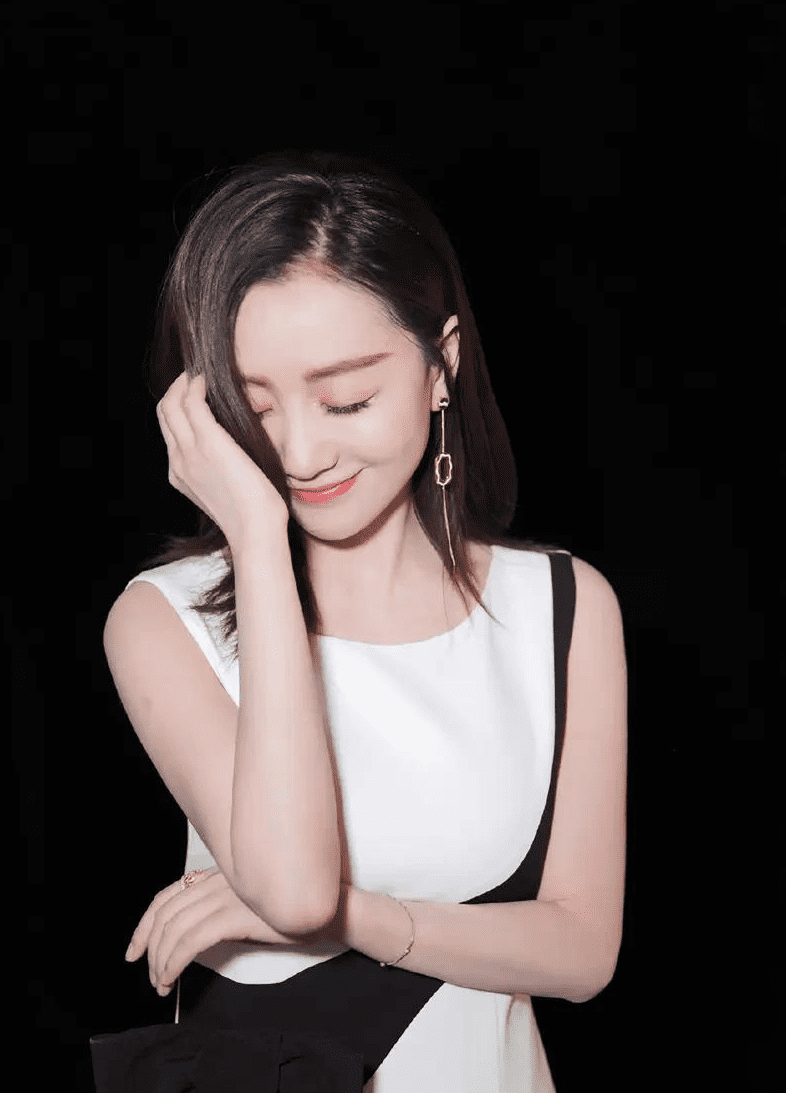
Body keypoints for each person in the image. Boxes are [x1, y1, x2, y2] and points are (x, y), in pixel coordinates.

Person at [103, 149, 627, 1091]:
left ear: (441, 365)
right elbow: (292, 887)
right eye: (254, 408)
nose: (300, 453)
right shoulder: (161, 620)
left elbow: (584, 952)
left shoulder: (562, 603)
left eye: (346, 398)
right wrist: (257, 540)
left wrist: (357, 917)